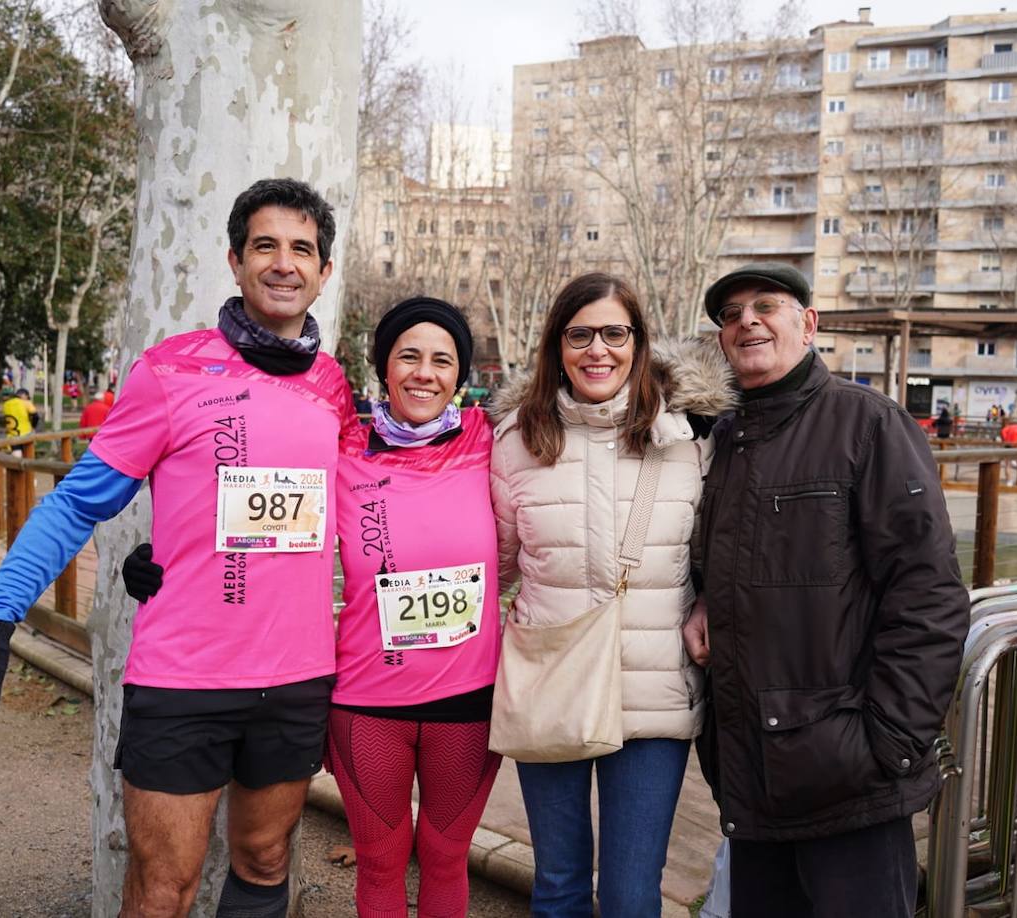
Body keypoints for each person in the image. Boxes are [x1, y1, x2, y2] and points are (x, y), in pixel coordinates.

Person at [0, 178, 354, 918]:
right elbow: (75, 502)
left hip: (296, 678)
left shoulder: (333, 387)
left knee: (263, 862)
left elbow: (365, 510)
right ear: (235, 261)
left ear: (324, 272)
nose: (285, 264)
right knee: (165, 888)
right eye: (266, 246)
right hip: (185, 679)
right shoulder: (171, 372)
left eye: (303, 249)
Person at [124, 297, 506, 918]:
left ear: (460, 376)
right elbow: (261, 491)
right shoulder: (343, 443)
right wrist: (161, 554)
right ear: (384, 366)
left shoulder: (490, 442)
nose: (424, 373)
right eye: (408, 356)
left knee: (444, 857)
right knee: (380, 863)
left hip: (468, 697)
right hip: (367, 699)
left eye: (443, 360)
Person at [681, 263, 968, 918]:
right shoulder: (723, 441)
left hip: (848, 779)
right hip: (753, 777)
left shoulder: (867, 425)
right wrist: (704, 600)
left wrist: (886, 742)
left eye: (766, 306)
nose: (746, 320)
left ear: (808, 324)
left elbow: (929, 595)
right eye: (730, 315)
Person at [489, 272, 732, 916]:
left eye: (614, 333)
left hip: (653, 694)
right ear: (557, 345)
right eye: (580, 335)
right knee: (559, 886)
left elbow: (713, 555)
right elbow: (497, 565)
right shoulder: (516, 441)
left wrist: (706, 602)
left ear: (638, 342)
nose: (598, 350)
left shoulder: (689, 439)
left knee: (629, 896)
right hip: (553, 681)